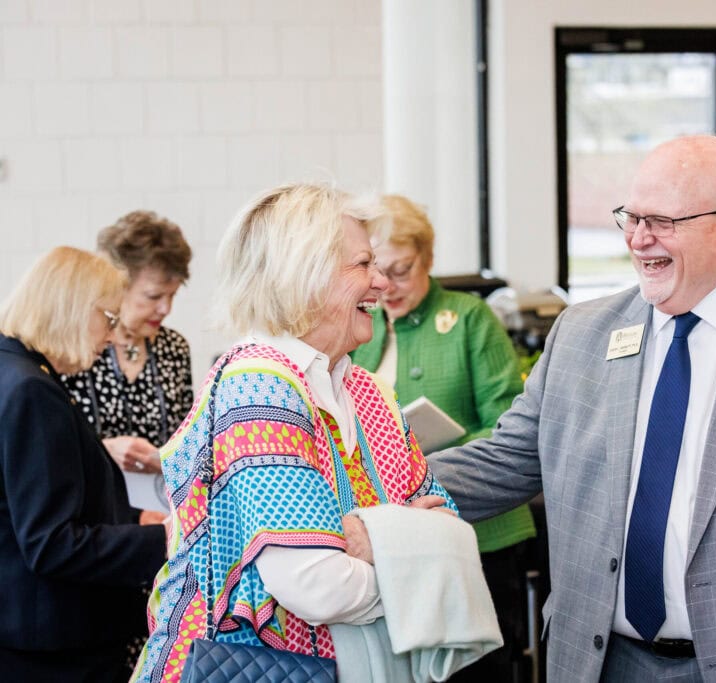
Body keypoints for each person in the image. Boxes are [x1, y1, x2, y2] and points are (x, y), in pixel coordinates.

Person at [429, 134, 716, 682]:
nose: (638, 239)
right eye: (630, 218)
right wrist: (368, 481)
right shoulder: (582, 333)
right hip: (599, 661)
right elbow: (510, 458)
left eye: (661, 222)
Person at [131, 184, 465, 683]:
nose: (379, 282)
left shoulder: (368, 392)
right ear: (303, 275)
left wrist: (369, 538)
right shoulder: (257, 388)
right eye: (362, 265)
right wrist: (406, 549)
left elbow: (453, 532)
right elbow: (317, 587)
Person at [351, 194, 536, 681]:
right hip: (398, 535)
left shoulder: (469, 318)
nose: (388, 286)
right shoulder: (359, 325)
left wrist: (425, 459)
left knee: (482, 671)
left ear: (428, 260)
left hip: (480, 530)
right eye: (376, 269)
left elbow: (511, 425)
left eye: (402, 269)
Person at [0, 246, 167, 681]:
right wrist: (166, 540)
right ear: (72, 309)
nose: (112, 336)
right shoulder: (31, 391)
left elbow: (38, 505)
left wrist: (135, 519)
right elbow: (52, 543)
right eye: (109, 319)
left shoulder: (12, 370)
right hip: (53, 646)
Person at [62, 210, 194, 475]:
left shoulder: (174, 347)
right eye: (153, 296)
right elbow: (51, 444)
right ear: (117, 285)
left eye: (172, 295)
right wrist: (103, 449)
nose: (166, 308)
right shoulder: (77, 348)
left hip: (158, 510)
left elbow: (188, 440)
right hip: (95, 507)